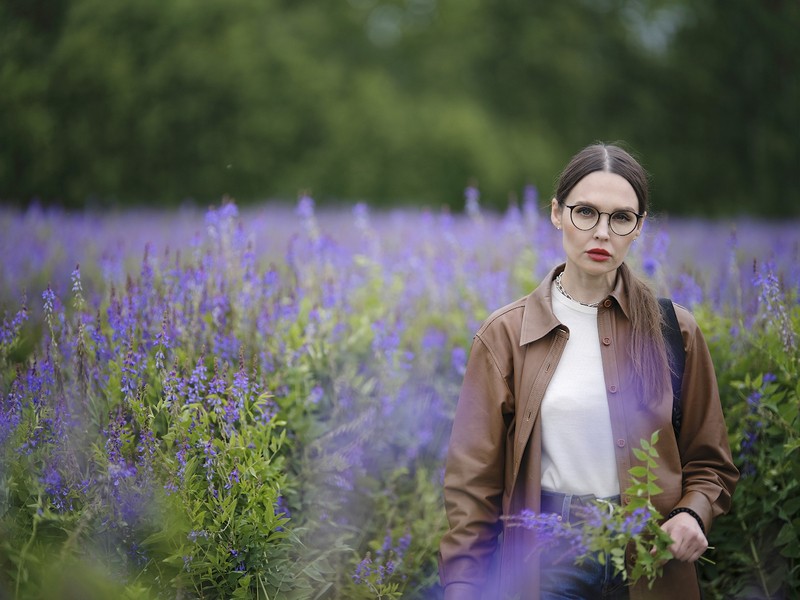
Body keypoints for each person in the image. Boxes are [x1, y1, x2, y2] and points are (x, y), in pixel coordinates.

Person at [438, 143, 738, 600]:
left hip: (650, 556)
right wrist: (462, 586)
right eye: (585, 213)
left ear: (638, 228)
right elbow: (471, 489)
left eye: (621, 218)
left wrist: (693, 514)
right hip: (546, 563)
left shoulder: (674, 331)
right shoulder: (505, 336)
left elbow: (711, 464)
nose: (602, 232)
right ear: (557, 214)